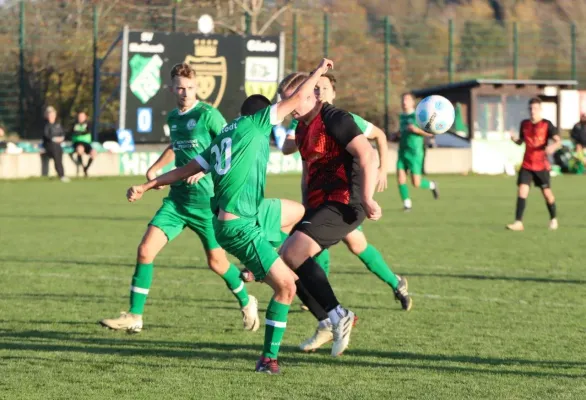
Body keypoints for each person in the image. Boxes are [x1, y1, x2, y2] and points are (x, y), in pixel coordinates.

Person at [124, 59, 354, 374]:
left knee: (300, 216)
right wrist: (319, 71)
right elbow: (300, 99)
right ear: (262, 115)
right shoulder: (257, 124)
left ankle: (264, 265)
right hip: (240, 226)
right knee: (286, 287)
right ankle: (268, 359)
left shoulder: (225, 135)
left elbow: (183, 169)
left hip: (240, 218)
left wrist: (148, 184)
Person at [100, 63, 260, 334]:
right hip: (177, 202)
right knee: (145, 250)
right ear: (172, 88)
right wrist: (156, 168)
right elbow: (177, 145)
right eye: (180, 87)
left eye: (189, 88)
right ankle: (135, 315)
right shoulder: (174, 117)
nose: (184, 92)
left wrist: (205, 168)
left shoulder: (208, 115)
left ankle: (247, 300)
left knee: (217, 263)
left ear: (196, 87)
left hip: (207, 202)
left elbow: (228, 146)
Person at [271, 72, 411, 353]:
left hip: (345, 202)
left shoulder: (337, 118)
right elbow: (302, 164)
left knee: (297, 253)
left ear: (311, 94)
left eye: (291, 100)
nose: (288, 106)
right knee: (288, 261)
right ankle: (330, 319)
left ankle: (339, 314)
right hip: (321, 204)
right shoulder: (301, 128)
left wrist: (369, 196)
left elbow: (367, 154)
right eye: (284, 101)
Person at [507, 97, 561, 231]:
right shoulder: (524, 124)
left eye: (535, 108)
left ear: (540, 110)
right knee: (522, 191)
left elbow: (558, 141)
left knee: (547, 194)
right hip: (527, 164)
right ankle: (518, 222)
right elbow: (521, 142)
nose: (532, 111)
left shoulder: (547, 125)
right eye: (530, 108)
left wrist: (552, 148)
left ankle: (553, 218)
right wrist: (515, 140)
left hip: (541, 166)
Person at [396, 92, 439, 211]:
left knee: (416, 183)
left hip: (415, 152)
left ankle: (432, 185)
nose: (404, 102)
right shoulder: (402, 116)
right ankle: (407, 204)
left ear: (412, 102)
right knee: (400, 178)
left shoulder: (419, 115)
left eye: (407, 100)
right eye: (403, 100)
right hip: (402, 151)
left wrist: (416, 130)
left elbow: (430, 132)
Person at [42, 106, 69, 183]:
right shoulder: (46, 125)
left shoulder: (58, 124)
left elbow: (62, 134)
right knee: (55, 149)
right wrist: (54, 139)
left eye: (53, 115)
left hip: (57, 146)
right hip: (49, 146)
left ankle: (61, 173)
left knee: (58, 150)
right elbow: (46, 136)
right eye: (50, 115)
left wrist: (61, 138)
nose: (51, 117)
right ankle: (61, 175)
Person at [71, 111, 97, 177]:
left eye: (82, 117)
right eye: (79, 117)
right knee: (80, 149)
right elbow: (74, 132)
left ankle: (86, 168)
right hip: (77, 142)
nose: (81, 118)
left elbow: (86, 131)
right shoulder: (74, 124)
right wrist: (81, 132)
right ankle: (82, 167)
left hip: (87, 143)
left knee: (93, 153)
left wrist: (80, 132)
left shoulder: (88, 124)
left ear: (85, 117)